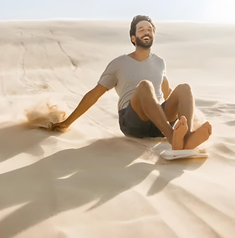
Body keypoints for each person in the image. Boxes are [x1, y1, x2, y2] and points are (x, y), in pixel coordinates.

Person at [51, 15, 212, 150]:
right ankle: (173, 139)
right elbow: (94, 94)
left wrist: (191, 117)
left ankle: (187, 138)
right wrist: (66, 122)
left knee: (184, 88)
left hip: (159, 121)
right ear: (133, 38)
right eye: (141, 29)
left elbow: (167, 93)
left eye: (149, 29)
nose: (146, 32)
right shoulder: (119, 64)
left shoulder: (159, 63)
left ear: (153, 36)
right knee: (144, 86)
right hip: (133, 121)